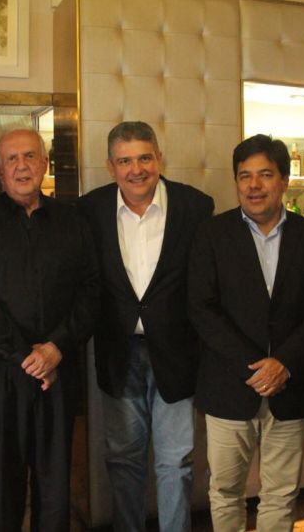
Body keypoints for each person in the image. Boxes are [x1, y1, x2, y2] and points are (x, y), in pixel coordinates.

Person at [188, 134, 304, 531]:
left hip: (291, 386)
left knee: (281, 493)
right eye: (245, 176)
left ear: (285, 180)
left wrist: (284, 363)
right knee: (225, 491)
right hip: (228, 386)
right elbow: (201, 308)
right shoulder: (212, 235)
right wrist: (254, 367)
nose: (254, 185)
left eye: (265, 175)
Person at [0, 127, 99, 531]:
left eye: (30, 156)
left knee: (56, 487)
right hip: (1, 375)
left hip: (59, 372)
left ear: (45, 164)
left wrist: (56, 348)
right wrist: (27, 357)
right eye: (12, 159)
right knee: (3, 485)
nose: (22, 166)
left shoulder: (73, 221)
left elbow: (91, 291)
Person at [77, 121, 214, 532]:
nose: (136, 170)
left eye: (144, 158)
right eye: (124, 161)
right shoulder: (89, 210)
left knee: (176, 460)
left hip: (177, 352)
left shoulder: (195, 206)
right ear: (110, 166)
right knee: (123, 459)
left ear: (159, 158)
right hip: (118, 353)